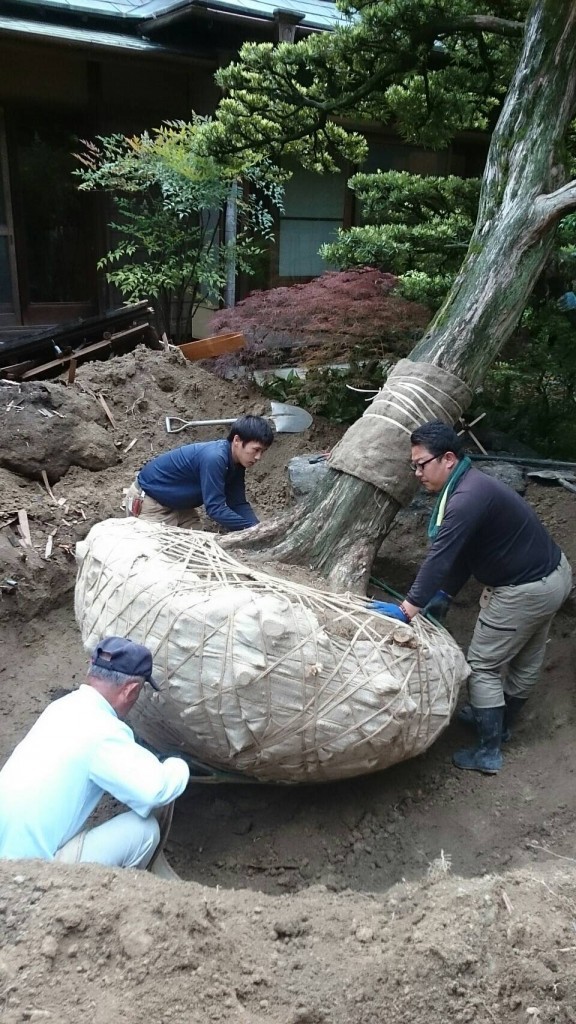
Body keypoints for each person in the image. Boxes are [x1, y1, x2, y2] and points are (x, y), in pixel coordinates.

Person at [371, 420, 572, 775]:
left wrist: (408, 609)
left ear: (448, 459)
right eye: (413, 465)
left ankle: (488, 749)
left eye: (421, 464)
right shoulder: (469, 484)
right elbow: (465, 553)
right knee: (526, 655)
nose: (416, 472)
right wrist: (445, 592)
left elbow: (442, 556)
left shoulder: (465, 499)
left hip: (523, 590)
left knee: (482, 666)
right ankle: (500, 720)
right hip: (554, 576)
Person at [0, 636, 190, 868]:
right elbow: (154, 791)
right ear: (130, 691)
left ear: (92, 671)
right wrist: (178, 765)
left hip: (6, 860)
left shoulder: (60, 708)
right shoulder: (103, 730)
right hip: (30, 873)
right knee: (144, 831)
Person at [124, 414, 274, 531]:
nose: (258, 457)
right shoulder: (215, 458)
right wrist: (251, 529)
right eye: (256, 450)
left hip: (178, 505)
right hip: (151, 502)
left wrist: (257, 528)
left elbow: (238, 503)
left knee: (199, 548)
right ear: (237, 441)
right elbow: (215, 509)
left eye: (263, 451)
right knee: (160, 556)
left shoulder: (236, 462)